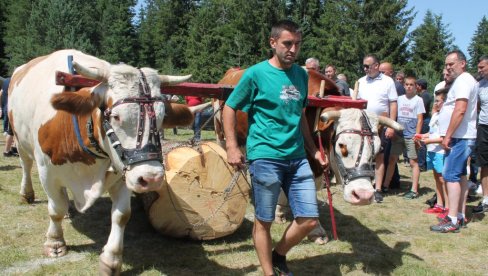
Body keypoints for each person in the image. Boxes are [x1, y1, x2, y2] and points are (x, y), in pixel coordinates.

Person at [222, 19, 327, 276]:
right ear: (273, 43)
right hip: (265, 157)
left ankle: (278, 256)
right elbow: (229, 107)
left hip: (297, 157)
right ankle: (270, 273)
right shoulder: (256, 73)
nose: (292, 49)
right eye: (287, 43)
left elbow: (299, 115)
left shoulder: (302, 75)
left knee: (309, 220)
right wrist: (232, 147)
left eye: (297, 44)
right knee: (264, 221)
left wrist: (312, 149)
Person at [431, 50, 478, 233]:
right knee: (459, 175)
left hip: (460, 137)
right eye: (446, 64)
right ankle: (457, 215)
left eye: (451, 64)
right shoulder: (462, 81)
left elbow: (460, 109)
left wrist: (448, 135)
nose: (448, 67)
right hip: (460, 136)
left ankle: (452, 219)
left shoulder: (464, 81)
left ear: (462, 63)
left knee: (450, 174)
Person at [355, 54, 398, 203]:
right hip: (364, 123)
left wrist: (391, 125)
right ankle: (364, 185)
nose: (365, 69)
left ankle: (378, 189)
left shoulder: (388, 81)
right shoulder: (360, 81)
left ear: (376, 65)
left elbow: (393, 103)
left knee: (379, 156)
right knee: (363, 155)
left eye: (367, 66)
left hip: (381, 124)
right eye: (364, 66)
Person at [383, 76, 425, 199]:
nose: (408, 87)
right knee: (392, 159)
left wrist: (416, 136)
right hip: (398, 135)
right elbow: (394, 115)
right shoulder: (399, 99)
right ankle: (385, 185)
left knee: (413, 162)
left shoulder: (418, 100)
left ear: (415, 86)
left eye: (411, 85)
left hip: (411, 136)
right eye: (406, 84)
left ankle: (414, 189)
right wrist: (394, 131)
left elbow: (420, 119)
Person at [421, 88, 449, 213]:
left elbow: (443, 138)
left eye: (438, 101)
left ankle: (448, 207)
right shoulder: (435, 115)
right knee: (437, 178)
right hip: (432, 150)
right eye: (435, 101)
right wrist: (422, 136)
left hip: (440, 152)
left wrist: (428, 141)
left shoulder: (446, 116)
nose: (435, 104)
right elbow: (432, 132)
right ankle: (439, 204)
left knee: (443, 179)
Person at [378, 62, 403, 189]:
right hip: (384, 123)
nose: (381, 74)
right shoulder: (382, 83)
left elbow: (396, 106)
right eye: (380, 71)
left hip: (391, 124)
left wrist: (392, 126)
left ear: (391, 72)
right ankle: (391, 180)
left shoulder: (396, 85)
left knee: (389, 155)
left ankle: (393, 181)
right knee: (387, 155)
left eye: (383, 72)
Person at [473, 55, 488, 214]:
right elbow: (475, 108)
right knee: (484, 163)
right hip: (484, 126)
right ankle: (486, 199)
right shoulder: (480, 86)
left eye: (482, 67)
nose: (479, 70)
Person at [415, 79, 432, 172]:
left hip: (424, 120)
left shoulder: (424, 96)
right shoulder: (424, 95)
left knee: (421, 142)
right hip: (424, 120)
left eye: (416, 85)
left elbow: (421, 110)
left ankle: (421, 165)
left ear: (420, 86)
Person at [1, 77, 17, 157]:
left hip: (10, 107)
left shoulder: (6, 81)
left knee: (14, 131)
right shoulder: (13, 81)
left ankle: (14, 147)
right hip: (12, 108)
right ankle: (7, 151)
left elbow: (1, 92)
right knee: (10, 131)